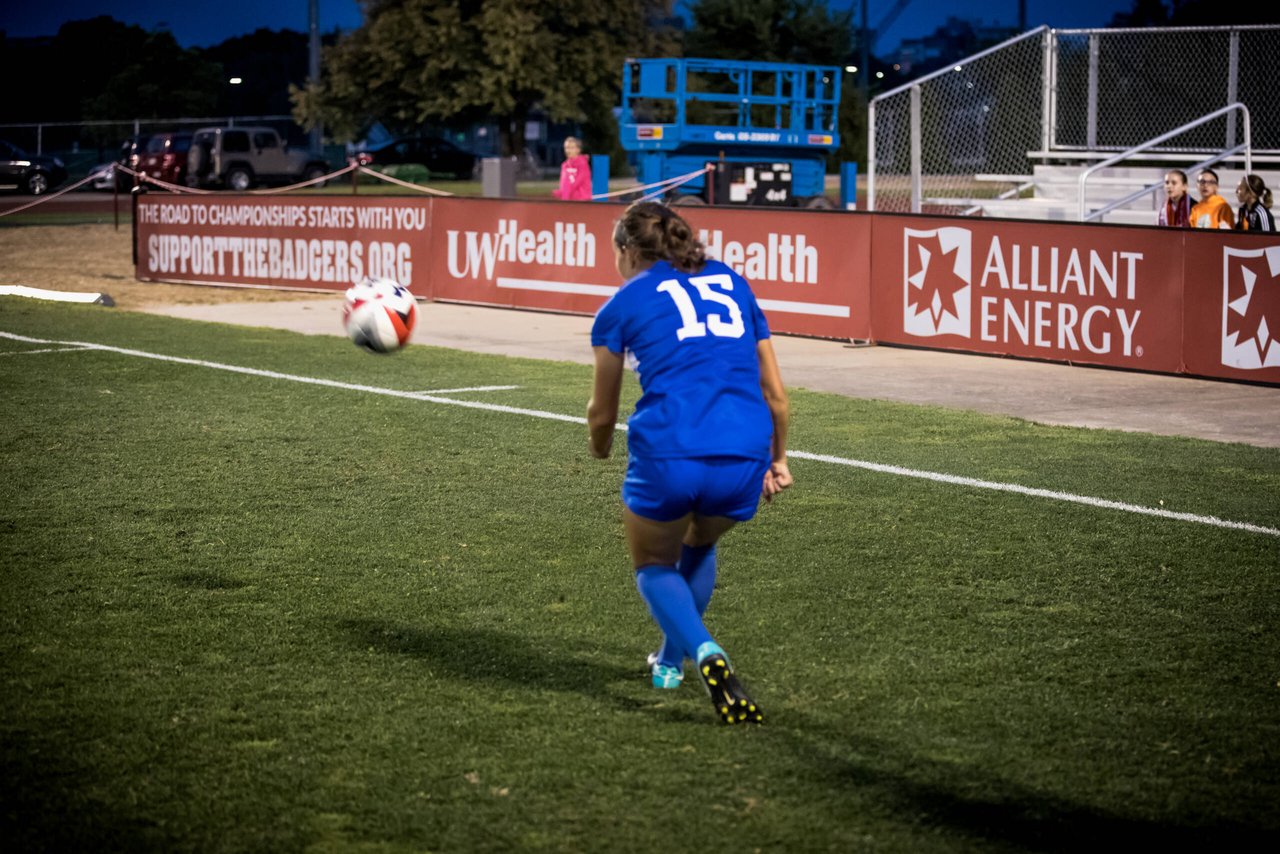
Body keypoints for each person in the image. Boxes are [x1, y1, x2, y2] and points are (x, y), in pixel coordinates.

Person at [587, 202, 791, 725]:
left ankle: (705, 651)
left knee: (654, 564)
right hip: (745, 450)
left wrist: (600, 446)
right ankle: (668, 663)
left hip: (670, 448)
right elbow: (776, 394)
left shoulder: (621, 304)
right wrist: (777, 459)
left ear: (629, 251)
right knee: (699, 543)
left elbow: (602, 412)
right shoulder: (734, 283)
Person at [551, 137, 592, 201]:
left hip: (582, 199)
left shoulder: (583, 164)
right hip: (569, 199)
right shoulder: (565, 165)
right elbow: (563, 183)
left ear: (578, 150)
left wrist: (563, 193)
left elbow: (577, 182)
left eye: (572, 148)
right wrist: (563, 192)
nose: (568, 150)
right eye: (566, 147)